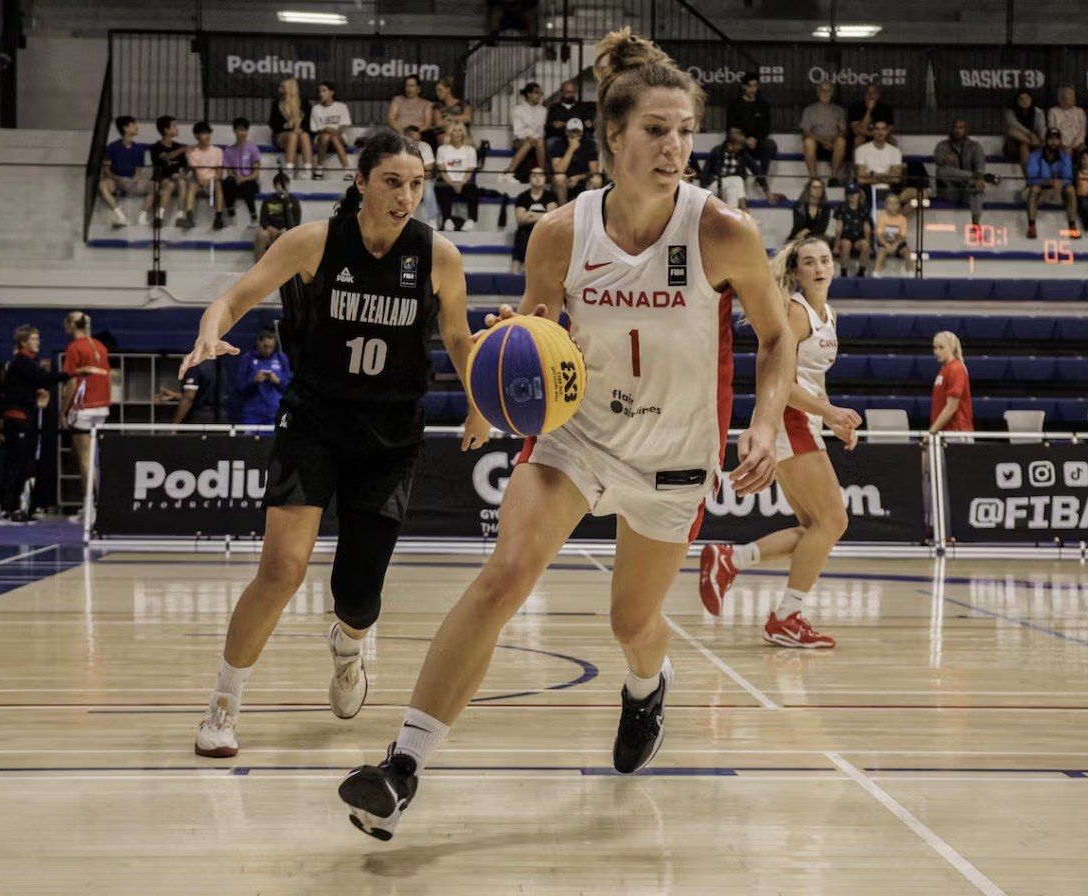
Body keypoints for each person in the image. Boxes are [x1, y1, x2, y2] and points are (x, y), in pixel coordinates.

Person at [337, 27, 795, 840]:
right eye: (657, 129)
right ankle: (402, 767)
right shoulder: (559, 233)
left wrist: (763, 422)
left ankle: (647, 686)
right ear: (613, 136)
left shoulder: (722, 230)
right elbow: (541, 338)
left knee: (631, 624)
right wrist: (512, 351)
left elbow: (777, 335)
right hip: (577, 437)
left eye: (686, 130)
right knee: (506, 575)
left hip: (674, 455)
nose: (675, 145)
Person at [184, 130, 489, 759]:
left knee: (359, 594)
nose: (406, 195)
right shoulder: (315, 243)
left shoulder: (438, 256)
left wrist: (479, 403)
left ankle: (348, 651)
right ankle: (223, 702)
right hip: (316, 422)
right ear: (361, 181)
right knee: (281, 568)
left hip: (391, 435)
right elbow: (233, 298)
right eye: (392, 181)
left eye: (416, 183)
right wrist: (210, 333)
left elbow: (459, 340)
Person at [698, 237, 860, 647]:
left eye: (825, 259)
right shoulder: (796, 312)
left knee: (814, 529)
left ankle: (730, 560)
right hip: (789, 420)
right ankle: (785, 616)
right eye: (810, 262)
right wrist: (829, 413)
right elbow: (781, 383)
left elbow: (811, 382)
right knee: (834, 521)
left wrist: (833, 417)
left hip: (807, 421)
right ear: (797, 272)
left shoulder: (829, 314)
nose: (820, 267)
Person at [0, 326, 96, 524]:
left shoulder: (26, 364)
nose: (38, 342)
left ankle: (20, 506)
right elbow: (44, 378)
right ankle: (9, 508)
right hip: (18, 419)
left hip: (26, 417)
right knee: (17, 464)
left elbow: (25, 386)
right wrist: (75, 373)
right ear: (24, 342)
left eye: (38, 338)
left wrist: (35, 396)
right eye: (34, 339)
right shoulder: (22, 363)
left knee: (25, 464)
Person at [58, 311, 112, 522]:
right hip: (102, 408)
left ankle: (92, 508)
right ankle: (91, 506)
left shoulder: (74, 348)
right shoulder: (100, 346)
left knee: (85, 459)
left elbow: (71, 382)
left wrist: (63, 411)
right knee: (95, 459)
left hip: (83, 408)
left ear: (72, 325)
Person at [934, 119, 998, 228]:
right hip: (949, 190)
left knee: (977, 186)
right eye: (955, 127)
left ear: (966, 130)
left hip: (968, 189)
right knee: (943, 171)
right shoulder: (942, 146)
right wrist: (945, 159)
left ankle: (975, 224)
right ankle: (982, 177)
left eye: (961, 128)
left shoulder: (975, 147)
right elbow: (940, 165)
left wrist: (978, 177)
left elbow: (979, 167)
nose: (957, 131)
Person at [725, 72, 777, 191]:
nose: (753, 89)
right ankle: (747, 180)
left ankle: (760, 177)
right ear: (744, 86)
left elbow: (766, 127)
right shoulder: (735, 104)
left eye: (755, 86)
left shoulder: (762, 104)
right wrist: (745, 140)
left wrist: (755, 139)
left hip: (757, 141)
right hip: (741, 141)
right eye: (750, 86)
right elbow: (731, 128)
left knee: (771, 146)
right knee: (738, 149)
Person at [99, 114, 153, 227]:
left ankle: (142, 217)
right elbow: (106, 169)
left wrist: (137, 178)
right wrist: (117, 178)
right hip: (116, 181)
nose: (136, 127)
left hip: (131, 182)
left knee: (155, 185)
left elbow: (139, 168)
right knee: (102, 185)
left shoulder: (138, 148)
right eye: (133, 124)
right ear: (125, 128)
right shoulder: (113, 147)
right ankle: (121, 217)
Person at [1024, 128, 1079, 240]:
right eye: (1051, 139)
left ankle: (1072, 226)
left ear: (1060, 141)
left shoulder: (1064, 156)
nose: (1053, 142)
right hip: (1040, 191)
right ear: (1046, 141)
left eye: (1056, 139)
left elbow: (1068, 177)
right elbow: (1031, 178)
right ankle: (1031, 226)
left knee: (1071, 189)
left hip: (1058, 192)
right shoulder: (1035, 155)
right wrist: (1048, 181)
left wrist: (1061, 182)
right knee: (1034, 188)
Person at [855, 119, 916, 210]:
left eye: (883, 129)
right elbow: (861, 179)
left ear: (887, 131)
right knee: (857, 193)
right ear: (872, 131)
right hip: (868, 190)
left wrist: (873, 174)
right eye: (877, 129)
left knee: (921, 195)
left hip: (891, 190)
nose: (880, 132)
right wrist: (887, 176)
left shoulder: (895, 151)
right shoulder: (861, 150)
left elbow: (896, 178)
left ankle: (900, 217)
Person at [235, 330, 291, 426]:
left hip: (275, 410)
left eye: (271, 347)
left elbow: (289, 386)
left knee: (276, 439)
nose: (268, 350)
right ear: (259, 343)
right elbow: (240, 387)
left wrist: (277, 381)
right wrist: (254, 381)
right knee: (249, 440)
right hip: (253, 412)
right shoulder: (247, 359)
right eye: (265, 347)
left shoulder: (281, 358)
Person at [434, 122, 479, 232]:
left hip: (464, 181)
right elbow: (442, 171)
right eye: (454, 130)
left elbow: (469, 171)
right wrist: (452, 183)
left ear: (463, 133)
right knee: (442, 188)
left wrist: (461, 183)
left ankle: (471, 220)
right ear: (450, 133)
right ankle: (447, 220)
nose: (457, 133)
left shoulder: (470, 150)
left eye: (459, 130)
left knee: (473, 189)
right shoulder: (442, 149)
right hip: (447, 180)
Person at [800, 81, 847, 187]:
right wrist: (823, 141)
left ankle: (834, 177)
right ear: (818, 92)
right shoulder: (809, 110)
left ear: (832, 93)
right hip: (817, 143)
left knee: (841, 141)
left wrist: (833, 139)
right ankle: (814, 178)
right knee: (808, 142)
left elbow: (843, 131)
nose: (825, 93)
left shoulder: (839, 110)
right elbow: (806, 132)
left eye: (828, 90)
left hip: (833, 143)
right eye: (822, 90)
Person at [510, 167, 556, 273]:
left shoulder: (550, 196)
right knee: (521, 235)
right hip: (525, 232)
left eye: (540, 175)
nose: (537, 178)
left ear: (545, 178)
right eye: (534, 176)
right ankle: (513, 276)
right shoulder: (523, 197)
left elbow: (551, 217)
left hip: (544, 231)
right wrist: (542, 216)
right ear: (530, 179)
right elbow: (520, 220)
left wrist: (530, 214)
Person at [181, 122, 225, 231]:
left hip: (213, 181)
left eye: (208, 133)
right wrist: (202, 182)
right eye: (204, 133)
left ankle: (218, 217)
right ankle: (189, 217)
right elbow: (196, 173)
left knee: (219, 185)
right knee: (192, 185)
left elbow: (219, 173)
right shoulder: (192, 153)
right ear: (196, 136)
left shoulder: (217, 151)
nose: (207, 136)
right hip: (199, 181)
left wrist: (212, 180)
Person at [929, 331, 973, 440]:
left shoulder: (956, 369)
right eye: (935, 348)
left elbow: (951, 407)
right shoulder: (944, 370)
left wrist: (932, 431)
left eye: (941, 347)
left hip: (956, 432)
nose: (937, 352)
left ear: (952, 348)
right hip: (943, 431)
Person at [503, 82, 547, 182]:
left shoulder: (543, 110)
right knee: (529, 142)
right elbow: (517, 131)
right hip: (520, 139)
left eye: (540, 93)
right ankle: (511, 171)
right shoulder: (518, 109)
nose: (539, 96)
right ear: (529, 94)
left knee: (539, 141)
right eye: (536, 93)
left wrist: (534, 137)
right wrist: (529, 136)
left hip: (536, 139)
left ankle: (541, 172)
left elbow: (541, 130)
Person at [268, 78, 313, 177]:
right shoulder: (276, 104)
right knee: (293, 135)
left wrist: (301, 129)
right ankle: (289, 169)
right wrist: (286, 125)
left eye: (282, 87)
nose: (279, 90)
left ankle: (307, 169)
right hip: (281, 135)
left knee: (304, 135)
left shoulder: (304, 104)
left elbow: (310, 122)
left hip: (300, 134)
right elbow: (273, 124)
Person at [150, 115, 189, 227]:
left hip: (178, 179)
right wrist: (183, 149)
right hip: (162, 178)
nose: (177, 128)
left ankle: (180, 216)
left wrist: (182, 173)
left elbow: (185, 166)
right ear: (166, 130)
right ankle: (159, 216)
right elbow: (166, 156)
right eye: (174, 126)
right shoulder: (156, 147)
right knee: (170, 184)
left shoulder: (178, 146)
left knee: (182, 182)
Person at [549, 116, 599, 205]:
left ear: (582, 132)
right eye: (572, 131)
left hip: (583, 179)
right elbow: (559, 170)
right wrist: (571, 149)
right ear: (566, 132)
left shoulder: (589, 145)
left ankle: (591, 212)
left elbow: (594, 171)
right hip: (564, 180)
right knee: (559, 178)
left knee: (596, 180)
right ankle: (562, 211)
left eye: (577, 132)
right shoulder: (558, 144)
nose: (575, 135)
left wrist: (578, 177)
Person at [254, 172, 303, 262]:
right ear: (275, 186)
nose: (282, 188)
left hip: (287, 231)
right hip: (271, 231)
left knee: (286, 235)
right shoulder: (268, 200)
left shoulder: (293, 200)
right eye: (279, 185)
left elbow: (296, 221)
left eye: (285, 185)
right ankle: (257, 266)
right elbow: (263, 220)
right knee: (261, 235)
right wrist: (270, 228)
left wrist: (287, 229)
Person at [221, 117, 262, 223]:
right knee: (227, 182)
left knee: (247, 185)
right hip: (236, 181)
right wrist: (237, 178)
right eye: (240, 130)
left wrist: (244, 179)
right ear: (235, 131)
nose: (242, 133)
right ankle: (231, 213)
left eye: (244, 130)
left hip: (249, 180)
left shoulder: (253, 148)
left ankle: (253, 215)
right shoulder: (228, 151)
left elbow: (256, 173)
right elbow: (229, 173)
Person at [155, 360, 219, 424]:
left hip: (197, 418)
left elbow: (189, 397)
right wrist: (174, 395)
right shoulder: (213, 363)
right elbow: (202, 396)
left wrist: (175, 425)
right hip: (215, 416)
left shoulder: (193, 365)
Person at [310, 81, 352, 178]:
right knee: (325, 137)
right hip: (321, 138)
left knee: (334, 138)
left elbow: (343, 126)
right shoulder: (316, 109)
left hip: (338, 137)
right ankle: (319, 170)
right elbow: (314, 129)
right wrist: (326, 130)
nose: (321, 94)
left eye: (324, 91)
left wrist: (335, 131)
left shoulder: (341, 107)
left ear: (331, 93)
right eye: (319, 92)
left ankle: (347, 171)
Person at [833, 183, 872, 277]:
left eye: (855, 193)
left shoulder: (864, 208)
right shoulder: (841, 207)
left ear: (859, 194)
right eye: (850, 193)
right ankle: (844, 273)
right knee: (846, 244)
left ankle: (861, 272)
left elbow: (866, 227)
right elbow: (839, 227)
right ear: (846, 195)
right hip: (845, 236)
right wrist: (836, 245)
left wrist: (869, 244)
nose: (852, 196)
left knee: (865, 245)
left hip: (859, 237)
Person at [1004, 89, 1045, 171]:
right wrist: (1030, 134)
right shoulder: (1010, 112)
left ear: (1031, 100)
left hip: (1032, 146)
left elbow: (1042, 128)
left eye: (1027, 98)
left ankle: (1028, 177)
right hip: (1014, 145)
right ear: (1016, 101)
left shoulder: (1038, 112)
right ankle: (1029, 178)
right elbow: (1012, 125)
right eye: (1021, 99)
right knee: (1011, 132)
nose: (1024, 101)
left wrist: (1043, 140)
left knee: (1024, 145)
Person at [873, 192, 913, 277]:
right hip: (884, 241)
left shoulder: (902, 219)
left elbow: (902, 236)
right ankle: (876, 274)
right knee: (881, 253)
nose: (893, 206)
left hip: (898, 242)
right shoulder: (882, 218)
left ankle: (910, 275)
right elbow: (879, 235)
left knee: (907, 252)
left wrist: (895, 245)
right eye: (890, 203)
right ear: (886, 205)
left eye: (895, 203)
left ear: (899, 205)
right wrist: (886, 245)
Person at [544, 79, 593, 146]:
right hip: (560, 137)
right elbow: (548, 126)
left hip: (579, 137)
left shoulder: (581, 106)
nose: (571, 94)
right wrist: (553, 125)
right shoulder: (554, 107)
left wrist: (589, 124)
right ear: (562, 92)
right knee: (551, 142)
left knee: (592, 143)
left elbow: (589, 123)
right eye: (568, 92)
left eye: (573, 92)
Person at [847, 83, 894, 148]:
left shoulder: (886, 109)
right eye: (868, 93)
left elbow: (890, 128)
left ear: (878, 95)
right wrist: (869, 110)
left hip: (881, 135)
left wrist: (879, 134)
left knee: (892, 141)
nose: (871, 95)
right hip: (863, 136)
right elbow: (858, 130)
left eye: (873, 93)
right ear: (864, 95)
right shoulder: (855, 108)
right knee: (858, 139)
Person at [430, 77, 472, 145]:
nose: (438, 93)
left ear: (448, 90)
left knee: (464, 136)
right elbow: (438, 123)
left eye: (440, 90)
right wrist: (459, 120)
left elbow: (467, 118)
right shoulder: (437, 106)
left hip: (461, 132)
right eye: (437, 91)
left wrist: (450, 118)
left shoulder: (463, 103)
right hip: (445, 133)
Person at [786, 177, 831, 242]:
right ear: (809, 189)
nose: (817, 190)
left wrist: (807, 231)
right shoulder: (799, 206)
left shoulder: (825, 207)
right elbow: (798, 226)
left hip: (817, 236)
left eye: (820, 187)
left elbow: (822, 227)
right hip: (799, 236)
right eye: (814, 187)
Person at [1047, 86, 1087, 158]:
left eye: (1073, 96)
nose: (1072, 98)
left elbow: (1082, 133)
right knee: (1064, 152)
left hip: (1078, 145)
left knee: (1084, 151)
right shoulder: (1053, 111)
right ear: (1061, 98)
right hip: (1059, 144)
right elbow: (1053, 131)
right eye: (1069, 95)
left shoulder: (1080, 112)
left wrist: (1073, 146)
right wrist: (1063, 146)